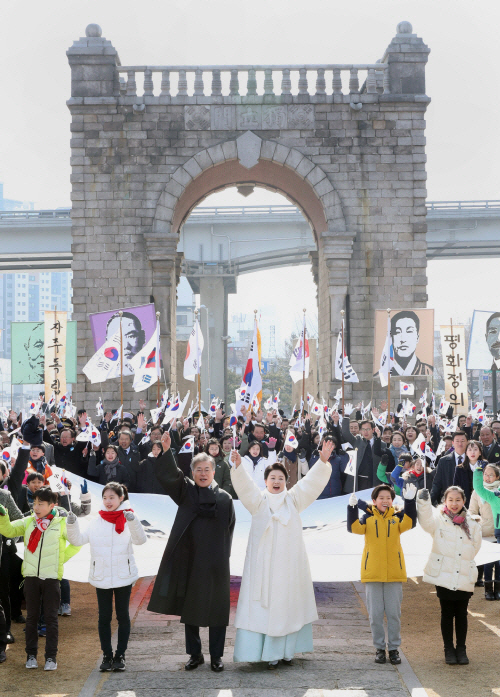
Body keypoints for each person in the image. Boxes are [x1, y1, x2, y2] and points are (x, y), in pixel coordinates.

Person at [229, 441, 333, 668]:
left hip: (288, 568)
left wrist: (322, 461)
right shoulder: (257, 501)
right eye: (272, 478)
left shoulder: (293, 499)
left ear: (286, 482)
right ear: (265, 481)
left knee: (287, 606)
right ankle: (259, 653)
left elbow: (310, 485)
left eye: (280, 479)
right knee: (262, 609)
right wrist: (237, 467)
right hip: (262, 569)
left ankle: (287, 651)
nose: (276, 482)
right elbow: (245, 486)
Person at [147, 433, 235, 673]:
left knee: (217, 610)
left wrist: (223, 558)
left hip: (216, 563)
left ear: (214, 471)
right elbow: (171, 476)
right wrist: (167, 453)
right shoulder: (186, 492)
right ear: (193, 472)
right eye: (198, 470)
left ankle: (217, 656)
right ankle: (195, 654)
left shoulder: (226, 499)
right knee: (192, 608)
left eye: (207, 469)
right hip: (190, 560)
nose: (203, 473)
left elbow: (230, 529)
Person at [66, 481, 146, 672]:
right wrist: (72, 523)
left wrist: (133, 521)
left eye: (112, 497)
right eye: (105, 498)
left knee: (122, 616)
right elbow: (77, 540)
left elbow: (140, 540)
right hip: (101, 575)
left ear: (121, 498)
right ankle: (107, 655)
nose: (108, 501)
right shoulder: (96, 520)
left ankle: (120, 655)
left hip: (123, 575)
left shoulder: (128, 517)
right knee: (104, 618)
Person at [0, 486, 80, 670]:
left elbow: (77, 544)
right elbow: (9, 531)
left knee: (51, 618)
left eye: (40, 504)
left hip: (51, 578)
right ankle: (31, 655)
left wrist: (60, 559)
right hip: (31, 577)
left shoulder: (61, 523)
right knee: (32, 618)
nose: (36, 507)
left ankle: (51, 657)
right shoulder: (29, 521)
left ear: (52, 505)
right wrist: (3, 516)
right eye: (34, 502)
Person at [347, 483, 417, 665]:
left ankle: (393, 649)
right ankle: (379, 648)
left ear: (392, 501)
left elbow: (410, 523)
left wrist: (410, 502)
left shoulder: (397, 518)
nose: (385, 501)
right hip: (373, 573)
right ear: (374, 501)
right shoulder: (367, 519)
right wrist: (352, 507)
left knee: (394, 614)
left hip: (394, 573)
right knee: (375, 614)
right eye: (381, 498)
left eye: (388, 498)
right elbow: (353, 528)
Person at [417, 485, 481, 665]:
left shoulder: (473, 522)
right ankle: (448, 649)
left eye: (458, 500)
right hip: (443, 573)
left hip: (464, 572)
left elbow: (475, 547)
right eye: (450, 500)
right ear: (445, 501)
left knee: (462, 613)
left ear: (464, 501)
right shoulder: (438, 520)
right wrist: (423, 501)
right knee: (446, 613)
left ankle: (461, 648)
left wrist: (461, 561)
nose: (454, 503)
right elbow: (425, 522)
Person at [469, 464, 500, 600]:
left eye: (491, 475)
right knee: (488, 562)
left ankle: (498, 589)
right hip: (485, 530)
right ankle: (488, 590)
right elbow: (472, 510)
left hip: (497, 530)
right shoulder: (478, 492)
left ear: (497, 477)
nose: (487, 477)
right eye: (485, 475)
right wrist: (475, 523)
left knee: (499, 562)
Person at [389, 310, 433, 376]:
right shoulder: (383, 376)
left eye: (409, 331)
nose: (403, 339)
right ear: (391, 338)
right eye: (397, 332)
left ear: (417, 338)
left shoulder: (429, 371)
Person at [430, 431, 468, 506]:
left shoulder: (472, 459)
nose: (460, 444)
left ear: (467, 442)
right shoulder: (444, 461)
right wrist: (429, 502)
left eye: (462, 441)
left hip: (468, 502)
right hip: (449, 502)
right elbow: (437, 483)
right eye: (457, 441)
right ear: (453, 443)